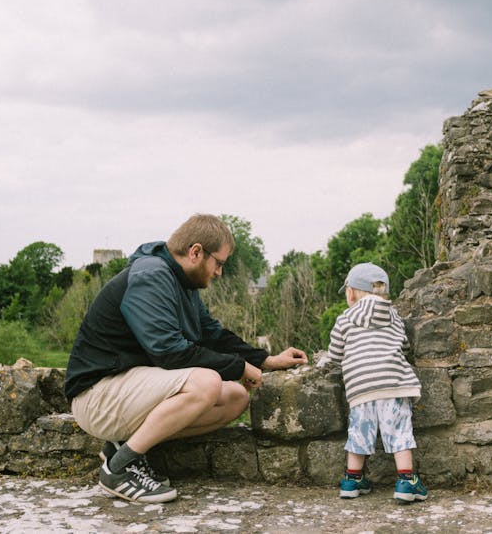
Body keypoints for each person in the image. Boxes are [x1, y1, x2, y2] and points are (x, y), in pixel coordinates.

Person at [64, 214, 308, 503]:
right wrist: (238, 366)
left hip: (124, 389)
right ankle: (119, 469)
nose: (219, 272)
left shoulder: (180, 283)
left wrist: (265, 360)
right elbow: (170, 352)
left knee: (235, 397)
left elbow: (211, 334)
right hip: (96, 395)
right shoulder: (151, 276)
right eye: (218, 263)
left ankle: (121, 447)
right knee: (206, 382)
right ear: (196, 252)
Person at [324, 262, 427, 504]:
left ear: (350, 292)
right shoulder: (394, 317)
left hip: (360, 387)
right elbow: (404, 346)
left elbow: (335, 354)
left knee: (359, 432)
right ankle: (406, 481)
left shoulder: (345, 318)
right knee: (399, 431)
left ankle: (352, 480)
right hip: (394, 382)